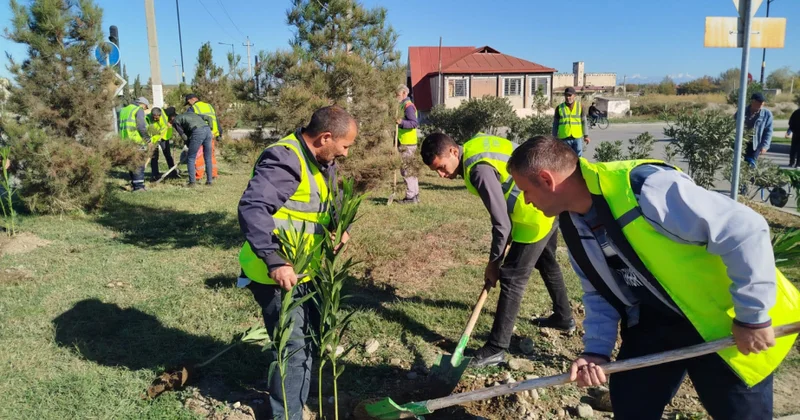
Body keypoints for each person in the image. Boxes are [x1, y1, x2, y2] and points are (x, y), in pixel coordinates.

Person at [506, 135, 800, 420]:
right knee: (631, 401)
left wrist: (752, 317)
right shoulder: (572, 224)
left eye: (526, 191)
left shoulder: (643, 188)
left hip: (725, 323)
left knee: (739, 412)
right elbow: (598, 292)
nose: (526, 201)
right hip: (656, 322)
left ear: (547, 180)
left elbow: (744, 229)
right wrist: (596, 351)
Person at [237, 106, 357, 420]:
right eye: (345, 145)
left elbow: (323, 200)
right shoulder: (285, 159)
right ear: (325, 137)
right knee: (294, 349)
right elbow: (253, 208)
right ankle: (287, 415)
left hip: (306, 270)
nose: (346, 152)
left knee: (309, 339)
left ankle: (296, 398)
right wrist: (275, 261)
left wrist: (339, 225)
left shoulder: (322, 160)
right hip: (276, 274)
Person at [420, 132, 575, 367]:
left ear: (453, 151)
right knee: (546, 261)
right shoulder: (476, 145)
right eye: (436, 172)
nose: (442, 175)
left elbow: (501, 224)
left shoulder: (478, 170)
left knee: (511, 277)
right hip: (546, 202)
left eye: (441, 167)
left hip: (534, 215)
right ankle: (564, 317)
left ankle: (496, 348)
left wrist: (494, 263)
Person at [164, 107, 214, 187]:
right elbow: (209, 118)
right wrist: (210, 128)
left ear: (171, 118)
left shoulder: (176, 120)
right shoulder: (192, 114)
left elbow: (183, 135)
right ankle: (209, 181)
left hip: (197, 132)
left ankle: (192, 182)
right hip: (208, 131)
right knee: (208, 157)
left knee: (191, 157)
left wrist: (188, 144)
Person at [118, 97, 151, 192]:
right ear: (142, 104)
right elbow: (141, 127)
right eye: (145, 107)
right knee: (139, 163)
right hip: (136, 140)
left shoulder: (124, 110)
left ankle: (134, 184)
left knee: (131, 163)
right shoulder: (138, 110)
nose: (145, 110)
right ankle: (139, 186)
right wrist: (148, 140)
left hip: (125, 140)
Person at [185, 93, 220, 180]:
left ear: (192, 100)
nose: (189, 104)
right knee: (210, 154)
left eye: (188, 102)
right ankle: (213, 174)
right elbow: (216, 119)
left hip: (200, 133)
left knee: (199, 155)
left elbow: (189, 121)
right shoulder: (209, 106)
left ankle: (199, 175)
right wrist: (219, 133)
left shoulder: (193, 108)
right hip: (212, 133)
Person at [395, 85, 420, 204]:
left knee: (406, 170)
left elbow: (414, 123)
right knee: (410, 170)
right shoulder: (402, 105)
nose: (396, 97)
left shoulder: (408, 106)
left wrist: (401, 122)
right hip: (405, 142)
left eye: (398, 95)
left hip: (407, 143)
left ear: (404, 93)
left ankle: (410, 197)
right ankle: (415, 195)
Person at [553, 87, 590, 156]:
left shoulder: (580, 106)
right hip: (564, 138)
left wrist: (586, 136)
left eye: (570, 95)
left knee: (578, 157)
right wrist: (554, 137)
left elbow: (584, 122)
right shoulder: (559, 108)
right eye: (566, 95)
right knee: (565, 157)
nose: (568, 97)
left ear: (574, 96)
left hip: (577, 138)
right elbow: (555, 124)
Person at [742, 92, 773, 167]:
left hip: (755, 144)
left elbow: (768, 131)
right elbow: (733, 124)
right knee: (740, 163)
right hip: (742, 142)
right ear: (753, 101)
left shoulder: (767, 114)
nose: (762, 104)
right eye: (759, 102)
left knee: (751, 164)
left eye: (763, 102)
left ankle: (750, 174)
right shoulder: (742, 110)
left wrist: (765, 146)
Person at [146, 107, 177, 181]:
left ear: (160, 115)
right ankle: (155, 175)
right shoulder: (147, 118)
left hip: (164, 137)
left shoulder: (165, 113)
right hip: (154, 139)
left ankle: (173, 173)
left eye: (157, 118)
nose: (155, 119)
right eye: (154, 118)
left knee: (167, 155)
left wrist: (171, 120)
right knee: (154, 157)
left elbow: (173, 109)